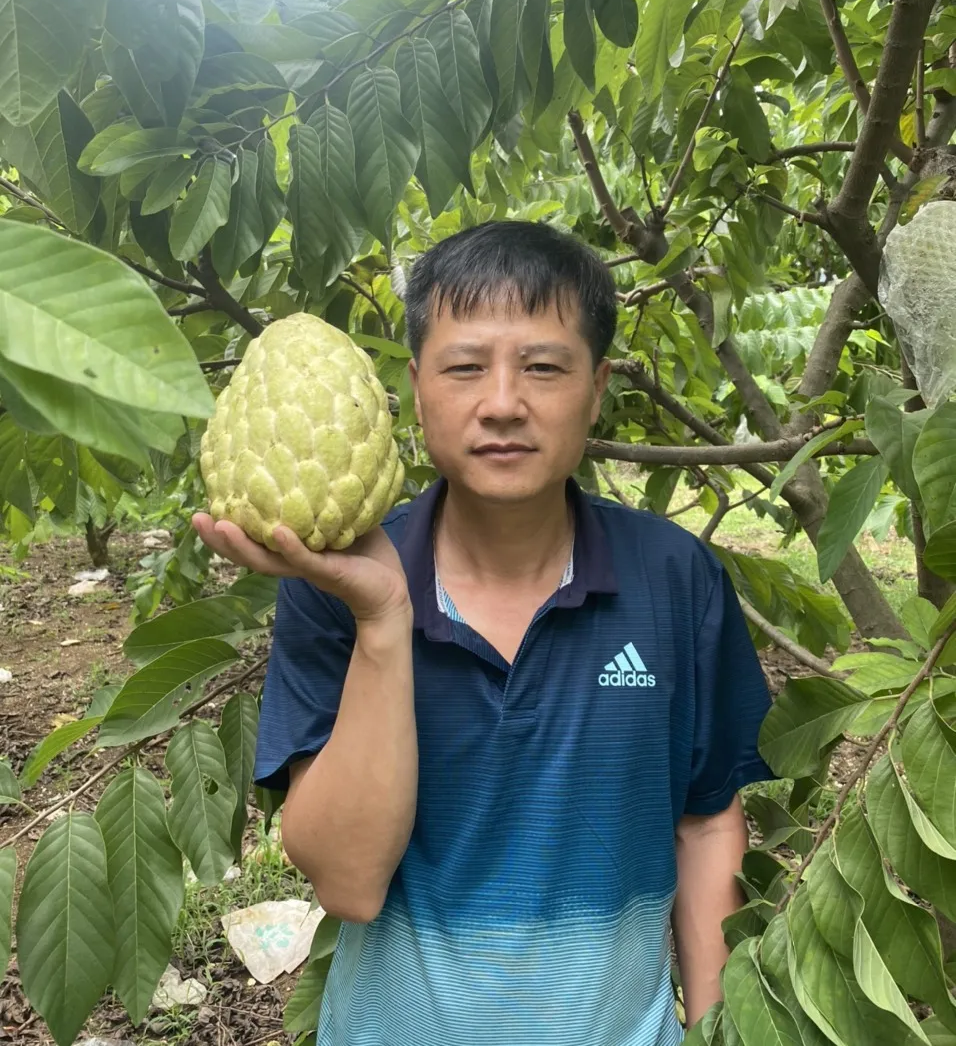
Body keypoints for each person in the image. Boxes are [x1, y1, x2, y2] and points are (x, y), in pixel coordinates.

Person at [193, 219, 774, 1046]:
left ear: (597, 387)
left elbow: (707, 822)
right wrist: (382, 620)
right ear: (416, 389)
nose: (503, 403)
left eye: (543, 367)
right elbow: (349, 884)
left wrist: (718, 1030)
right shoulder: (336, 588)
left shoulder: (675, 577)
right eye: (465, 367)